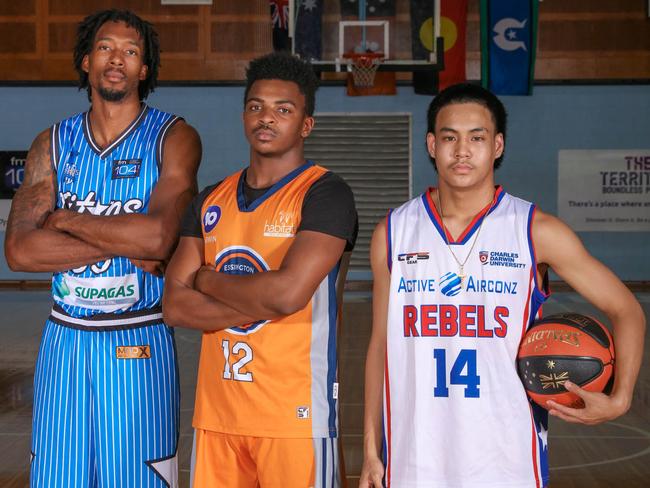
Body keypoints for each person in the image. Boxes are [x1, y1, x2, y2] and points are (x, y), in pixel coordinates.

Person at [359, 83, 645, 487]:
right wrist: (372, 450)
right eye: (449, 137)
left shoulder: (536, 231)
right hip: (414, 457)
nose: (462, 150)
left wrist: (622, 397)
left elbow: (625, 309)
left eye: (476, 137)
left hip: (507, 457)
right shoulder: (393, 232)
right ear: (430, 144)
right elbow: (379, 345)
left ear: (496, 145)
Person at [4, 9, 201, 488]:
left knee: (137, 479)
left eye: (131, 52)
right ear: (87, 60)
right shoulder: (51, 144)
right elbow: (20, 252)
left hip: (139, 338)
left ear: (145, 70)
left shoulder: (173, 137)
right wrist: (120, 236)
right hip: (63, 341)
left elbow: (158, 240)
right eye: (107, 48)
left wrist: (67, 221)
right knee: (56, 477)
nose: (118, 59)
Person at [163, 51, 357, 487]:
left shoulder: (326, 193)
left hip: (293, 417)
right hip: (217, 416)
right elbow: (175, 306)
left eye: (283, 110)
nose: (266, 118)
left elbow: (288, 295)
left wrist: (208, 280)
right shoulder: (212, 198)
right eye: (256, 107)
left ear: (306, 124)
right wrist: (264, 300)